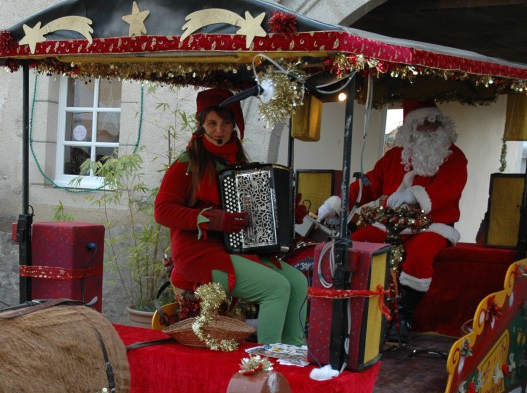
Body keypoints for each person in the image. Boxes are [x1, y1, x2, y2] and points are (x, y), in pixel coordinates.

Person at [154, 88, 307, 346]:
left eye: (225, 123)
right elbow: (162, 210)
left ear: (234, 125)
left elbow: (249, 214)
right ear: (201, 125)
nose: (219, 130)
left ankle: (293, 349)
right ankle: (268, 359)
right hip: (199, 253)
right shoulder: (186, 163)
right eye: (212, 123)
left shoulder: (237, 162)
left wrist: (286, 214)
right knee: (276, 288)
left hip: (233, 248)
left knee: (298, 281)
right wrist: (209, 219)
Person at [317, 99, 468, 340]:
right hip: (392, 223)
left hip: (432, 225)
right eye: (423, 125)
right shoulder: (394, 157)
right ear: (410, 129)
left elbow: (449, 188)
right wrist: (337, 204)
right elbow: (368, 185)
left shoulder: (455, 157)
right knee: (354, 244)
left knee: (420, 255)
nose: (430, 129)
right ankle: (350, 308)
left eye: (434, 123)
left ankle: (403, 318)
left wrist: (415, 195)